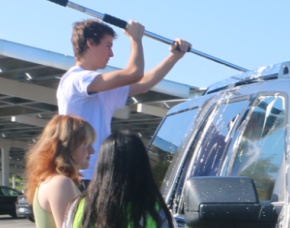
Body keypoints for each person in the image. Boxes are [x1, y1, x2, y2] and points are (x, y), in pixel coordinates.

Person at [56, 18, 192, 181]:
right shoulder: (76, 79)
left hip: (98, 175)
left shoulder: (98, 86)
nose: (111, 54)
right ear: (90, 42)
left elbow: (142, 84)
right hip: (82, 176)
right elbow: (134, 73)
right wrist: (135, 38)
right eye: (108, 46)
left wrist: (174, 56)